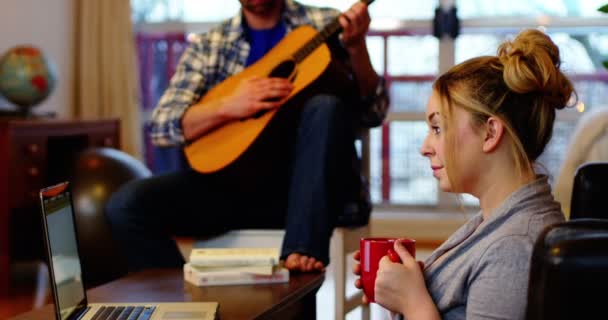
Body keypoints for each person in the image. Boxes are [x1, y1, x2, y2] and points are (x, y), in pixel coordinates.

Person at [105, 0, 388, 273]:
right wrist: (229, 105)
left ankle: (301, 254)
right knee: (126, 206)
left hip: (304, 195)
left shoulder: (326, 24)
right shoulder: (210, 45)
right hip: (227, 191)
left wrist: (357, 48)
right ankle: (183, 304)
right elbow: (161, 127)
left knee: (326, 106)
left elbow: (373, 113)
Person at [353, 29, 574, 319]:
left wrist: (413, 302)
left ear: (490, 132)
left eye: (437, 128)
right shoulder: (497, 222)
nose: (425, 148)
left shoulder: (513, 246)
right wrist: (412, 284)